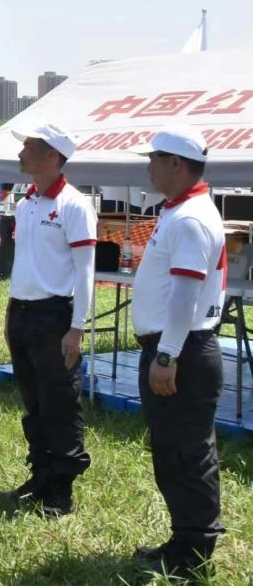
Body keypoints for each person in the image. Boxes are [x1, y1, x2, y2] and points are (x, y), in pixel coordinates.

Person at [130, 126, 226, 580]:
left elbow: (186, 295)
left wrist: (166, 356)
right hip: (177, 347)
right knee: (174, 450)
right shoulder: (180, 211)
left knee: (186, 453)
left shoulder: (189, 218)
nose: (148, 167)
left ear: (175, 163)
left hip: (181, 350)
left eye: (153, 159)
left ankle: (194, 552)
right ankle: (184, 540)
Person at [5, 122, 96, 517]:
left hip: (55, 314)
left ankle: (62, 487)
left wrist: (77, 327)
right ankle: (41, 473)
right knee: (33, 400)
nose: (20, 152)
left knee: (60, 402)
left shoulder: (74, 205)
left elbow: (86, 271)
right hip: (22, 312)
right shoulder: (26, 203)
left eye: (28, 146)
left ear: (52, 155)